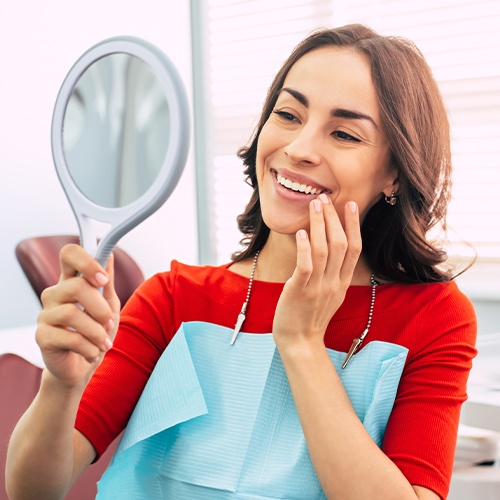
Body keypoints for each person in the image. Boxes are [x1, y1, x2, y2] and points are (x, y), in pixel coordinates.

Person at [6, 24, 476, 500]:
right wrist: (60, 388)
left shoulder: (434, 317)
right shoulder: (172, 298)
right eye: (288, 115)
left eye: (343, 133)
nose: (298, 149)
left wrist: (301, 343)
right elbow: (31, 491)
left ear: (394, 173)